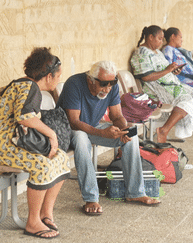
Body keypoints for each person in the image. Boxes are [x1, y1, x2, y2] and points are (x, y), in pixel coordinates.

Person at [0, 47, 70, 239]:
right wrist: (52, 134)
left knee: (61, 158)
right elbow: (25, 118)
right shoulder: (30, 87)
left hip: (2, 140)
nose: (59, 80)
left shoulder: (22, 84)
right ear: (49, 76)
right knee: (42, 165)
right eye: (58, 76)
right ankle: (33, 222)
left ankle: (46, 214)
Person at [57, 61, 161, 215]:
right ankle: (91, 197)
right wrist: (102, 133)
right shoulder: (74, 83)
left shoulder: (111, 86)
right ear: (91, 80)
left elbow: (117, 115)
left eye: (111, 84)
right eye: (103, 84)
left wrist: (123, 129)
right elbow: (74, 121)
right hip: (71, 130)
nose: (107, 89)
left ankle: (135, 193)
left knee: (130, 137)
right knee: (80, 139)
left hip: (94, 127)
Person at [130, 25, 193, 143]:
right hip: (156, 89)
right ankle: (164, 130)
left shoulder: (157, 52)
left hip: (171, 85)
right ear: (150, 37)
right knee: (186, 100)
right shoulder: (141, 53)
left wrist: (173, 71)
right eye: (159, 39)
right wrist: (167, 70)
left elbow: (164, 69)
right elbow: (146, 77)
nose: (161, 42)